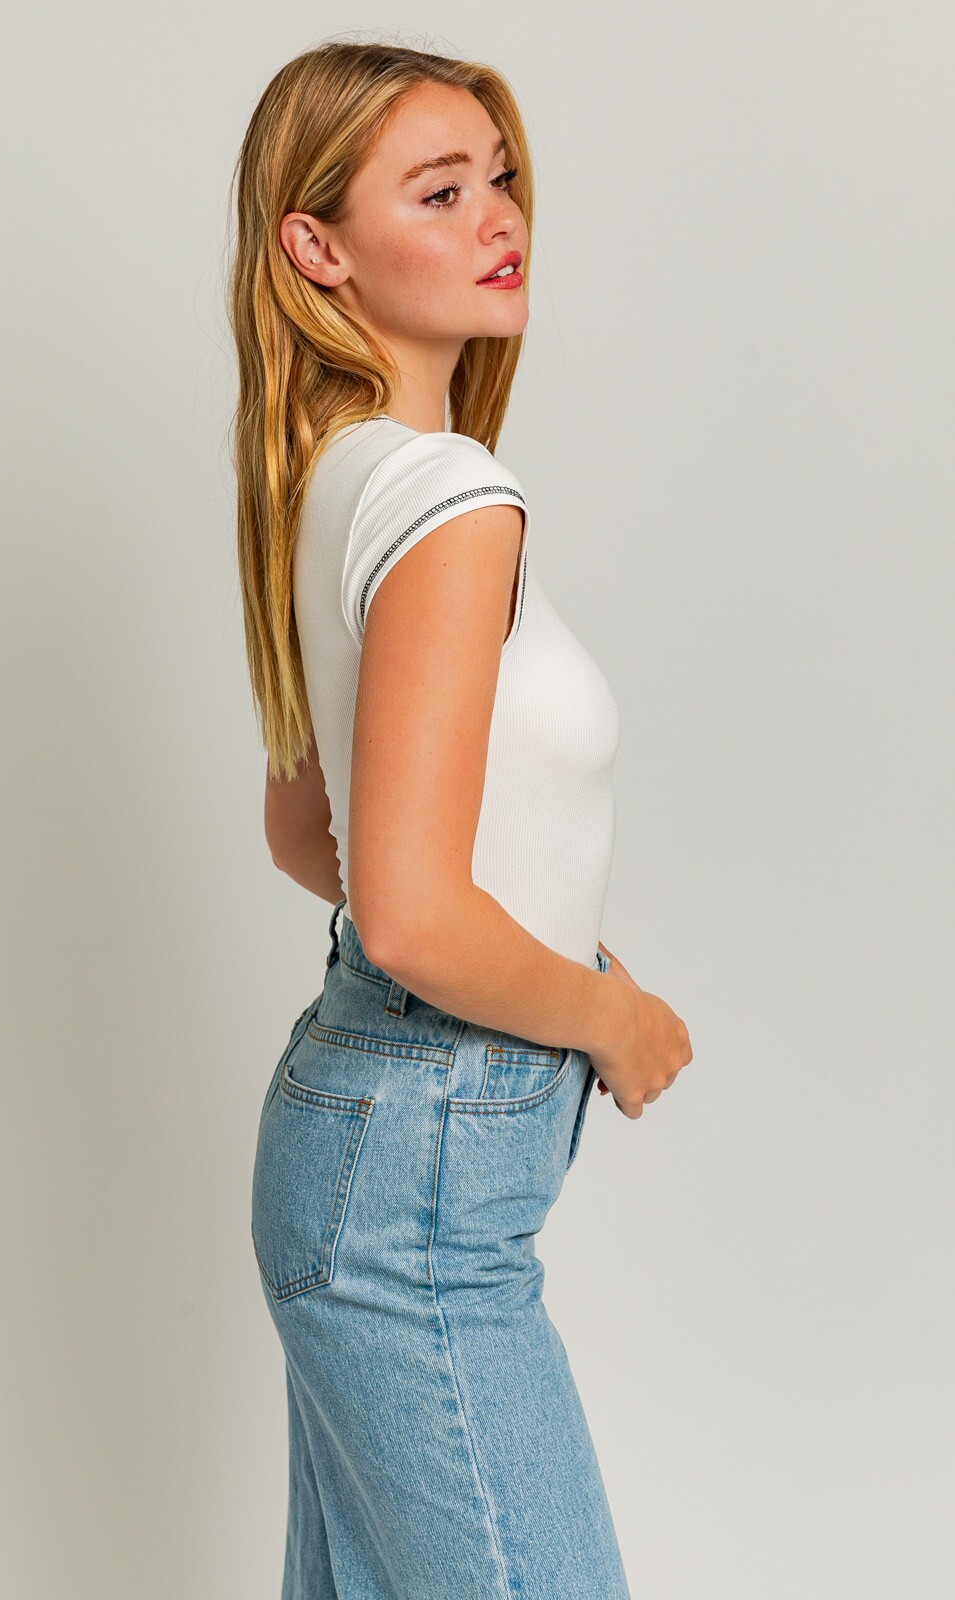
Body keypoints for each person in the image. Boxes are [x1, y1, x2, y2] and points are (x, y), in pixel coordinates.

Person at [226, 38, 692, 1600]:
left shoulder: (331, 478)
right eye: (437, 191)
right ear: (318, 248)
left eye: (498, 176)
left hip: (362, 1145)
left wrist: (535, 942)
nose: (499, 215)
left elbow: (311, 837)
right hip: (414, 1189)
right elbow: (413, 913)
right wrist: (608, 1012)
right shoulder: (447, 502)